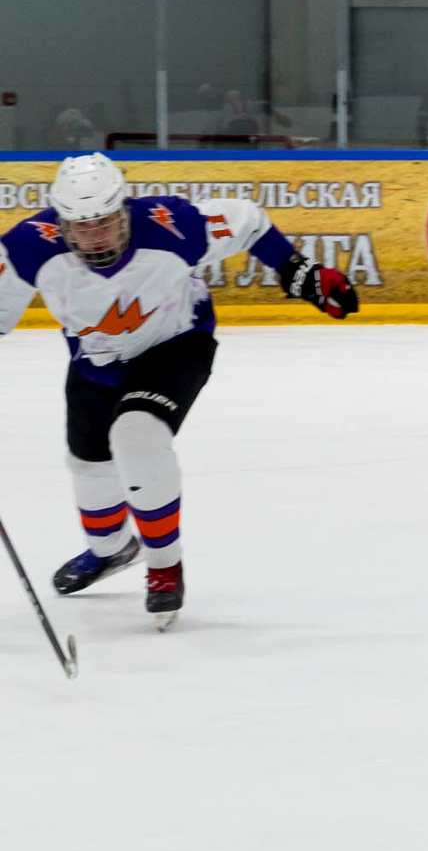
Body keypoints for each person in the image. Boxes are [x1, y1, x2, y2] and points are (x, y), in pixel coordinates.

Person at [0, 153, 361, 626]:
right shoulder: (27, 248)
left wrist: (299, 272)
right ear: (61, 224)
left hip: (176, 345)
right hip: (96, 363)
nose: (96, 237)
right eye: (82, 228)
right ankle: (112, 551)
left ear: (124, 211)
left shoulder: (173, 226)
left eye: (106, 223)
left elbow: (247, 220)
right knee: (90, 469)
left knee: (137, 436)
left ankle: (165, 565)